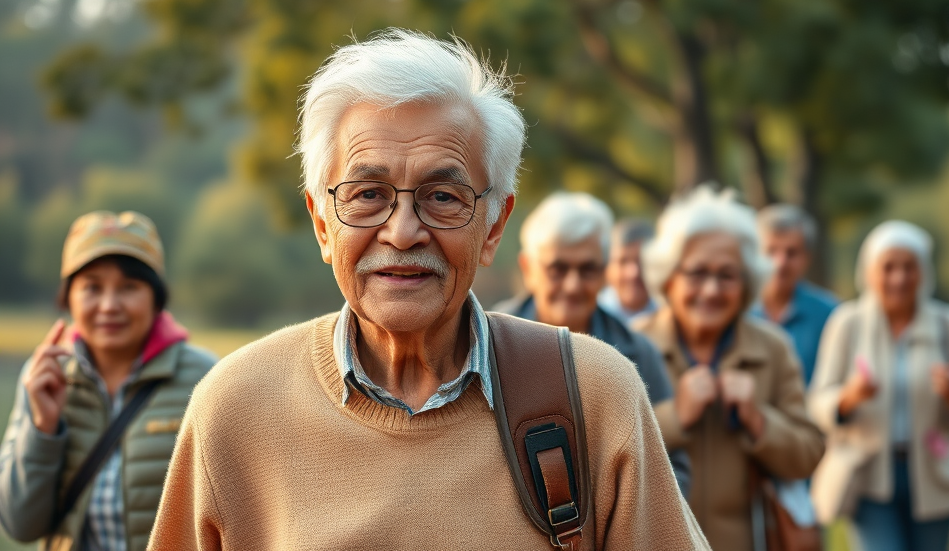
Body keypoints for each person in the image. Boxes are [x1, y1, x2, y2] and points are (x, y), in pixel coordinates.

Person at [147, 29, 709, 550]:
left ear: (492, 227)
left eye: (443, 196)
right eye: (368, 193)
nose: (402, 230)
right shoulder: (235, 408)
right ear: (322, 222)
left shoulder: (594, 396)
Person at [0, 211, 217, 551]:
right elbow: (20, 525)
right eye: (92, 287)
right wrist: (42, 426)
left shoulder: (207, 378)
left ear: (156, 298)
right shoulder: (44, 377)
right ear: (67, 298)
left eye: (129, 287)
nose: (109, 305)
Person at [632, 186, 825, 551]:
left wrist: (757, 419)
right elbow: (599, 457)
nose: (710, 290)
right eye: (697, 273)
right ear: (669, 278)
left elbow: (808, 454)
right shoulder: (633, 347)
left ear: (747, 283)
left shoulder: (772, 348)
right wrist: (676, 416)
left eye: (726, 276)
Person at [494, 192, 693, 497]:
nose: (573, 286)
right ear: (528, 269)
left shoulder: (638, 353)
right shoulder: (487, 343)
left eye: (587, 269)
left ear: (604, 273)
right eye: (558, 269)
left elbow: (674, 469)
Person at [808, 221, 949, 551]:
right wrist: (849, 397)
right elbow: (818, 401)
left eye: (909, 267)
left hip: (935, 474)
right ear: (869, 271)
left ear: (924, 272)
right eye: (888, 267)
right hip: (867, 476)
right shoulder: (848, 323)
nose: (899, 278)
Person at [751, 204, 839, 385]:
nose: (780, 263)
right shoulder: (737, 311)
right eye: (770, 251)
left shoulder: (830, 315)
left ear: (807, 258)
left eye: (791, 253)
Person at [597, 219, 658, 322]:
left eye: (641, 261)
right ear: (606, 268)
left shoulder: (671, 317)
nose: (633, 273)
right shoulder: (592, 316)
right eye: (623, 261)